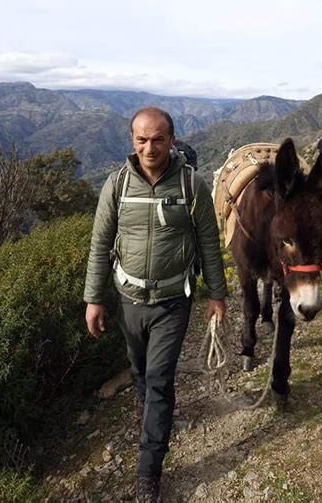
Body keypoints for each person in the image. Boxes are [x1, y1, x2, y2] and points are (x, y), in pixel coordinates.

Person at [84, 107, 227, 503]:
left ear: (172, 140)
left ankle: (149, 470)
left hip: (171, 303)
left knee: (160, 381)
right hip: (128, 301)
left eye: (158, 139)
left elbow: (209, 245)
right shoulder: (116, 186)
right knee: (141, 374)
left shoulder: (190, 185)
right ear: (132, 140)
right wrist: (94, 298)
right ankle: (154, 418)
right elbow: (99, 245)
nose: (150, 147)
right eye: (142, 139)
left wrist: (217, 295)